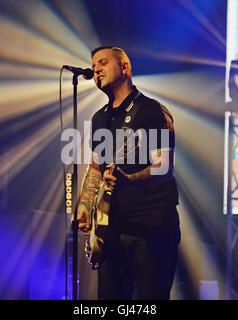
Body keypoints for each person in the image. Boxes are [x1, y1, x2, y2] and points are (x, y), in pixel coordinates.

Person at [77, 46, 180, 300]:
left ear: (124, 67)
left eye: (102, 62)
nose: (95, 69)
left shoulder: (151, 110)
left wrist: (130, 180)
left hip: (151, 230)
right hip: (112, 231)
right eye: (92, 66)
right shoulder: (99, 118)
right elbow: (95, 168)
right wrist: (84, 205)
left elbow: (164, 166)